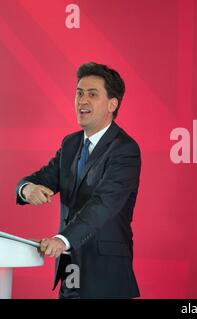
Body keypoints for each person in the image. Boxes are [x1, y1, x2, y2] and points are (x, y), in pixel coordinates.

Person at [15, 62, 141, 299]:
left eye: (92, 95)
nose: (83, 101)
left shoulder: (125, 149)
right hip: (69, 270)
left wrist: (63, 240)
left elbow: (104, 204)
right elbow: (41, 178)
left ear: (112, 104)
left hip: (104, 274)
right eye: (79, 93)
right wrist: (27, 188)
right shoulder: (71, 144)